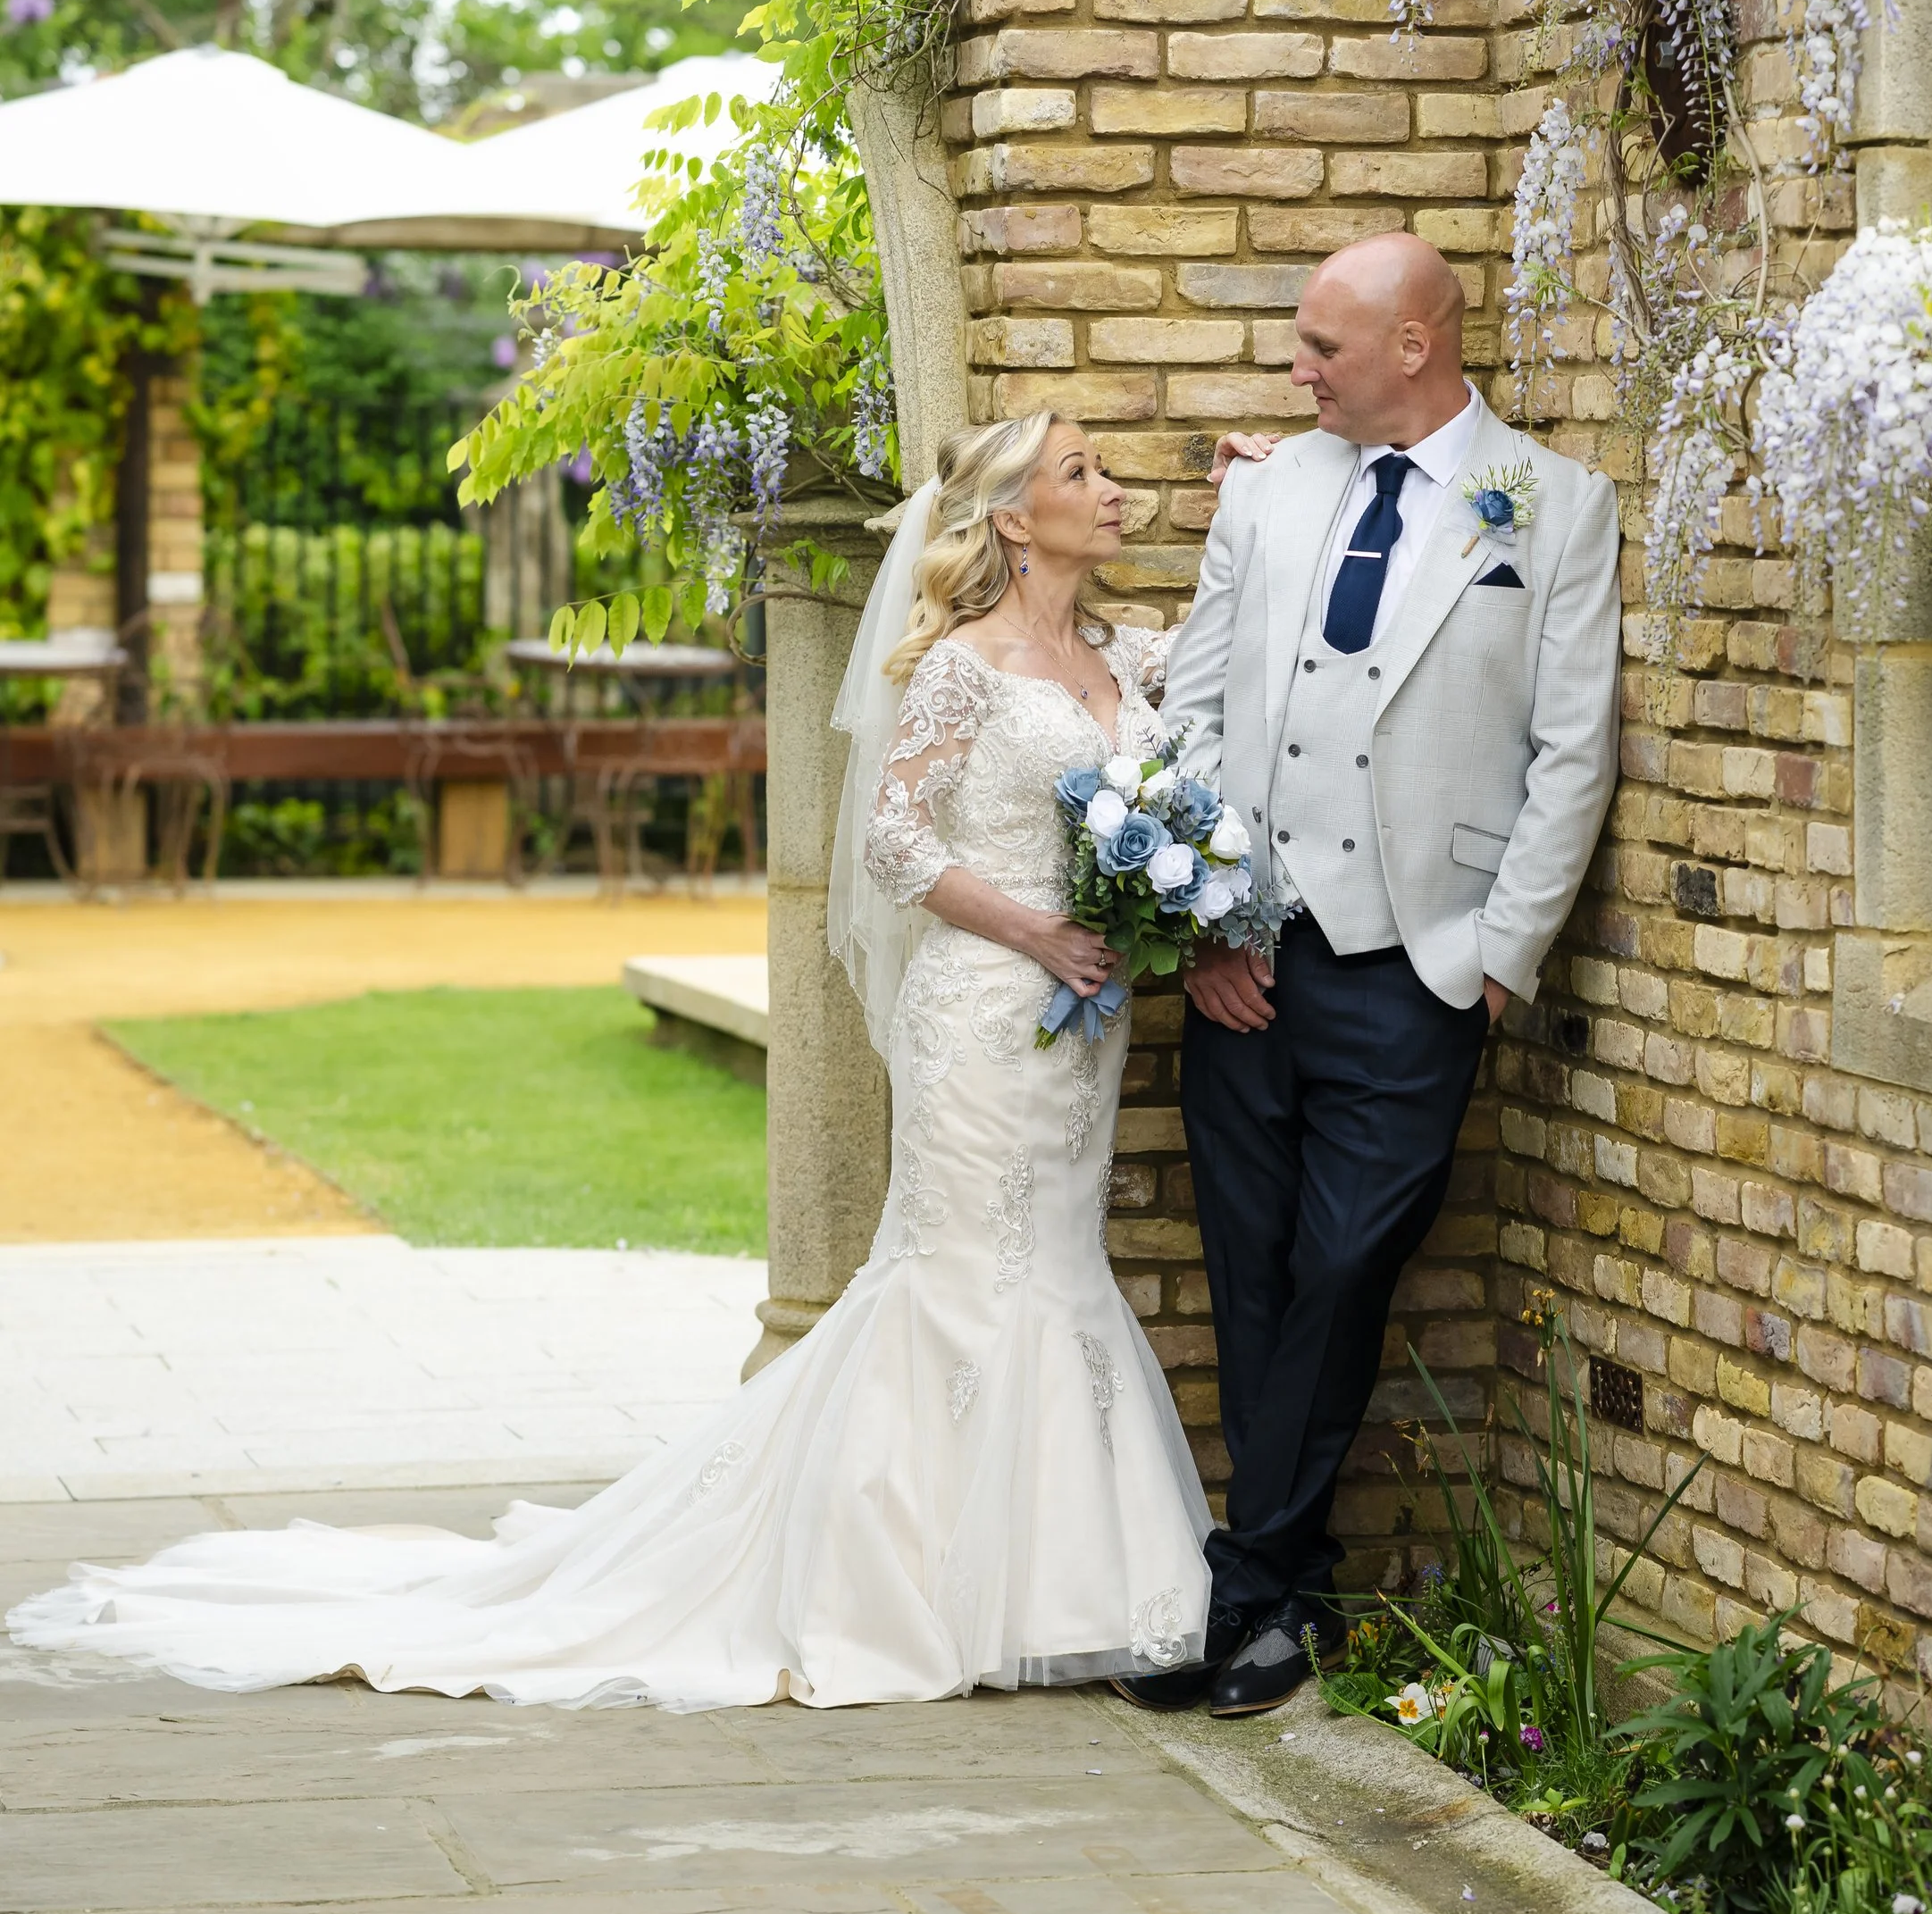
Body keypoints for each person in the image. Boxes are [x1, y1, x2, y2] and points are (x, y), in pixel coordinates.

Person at [10, 416, 1217, 1711]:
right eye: (1080, 469)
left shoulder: (1121, 651)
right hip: (984, 1010)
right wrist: (1038, 926)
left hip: (1080, 1030)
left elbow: (1234, 653)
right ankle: (914, 1592)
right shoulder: (961, 667)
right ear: (1015, 518)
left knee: (1054, 1267)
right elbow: (892, 842)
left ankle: (1048, 1591)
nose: (1112, 486)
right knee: (966, 1281)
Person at [1110, 234, 1622, 1720]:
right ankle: (1281, 1603)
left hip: (1421, 968)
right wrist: (1203, 916)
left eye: (1323, 345)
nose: (1296, 367)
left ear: (1416, 343)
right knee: (1250, 1271)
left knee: (1344, 1267)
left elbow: (1572, 752)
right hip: (1247, 958)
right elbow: (1195, 703)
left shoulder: (1555, 506)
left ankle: (1238, 1583)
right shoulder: (1271, 489)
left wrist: (1499, 963)